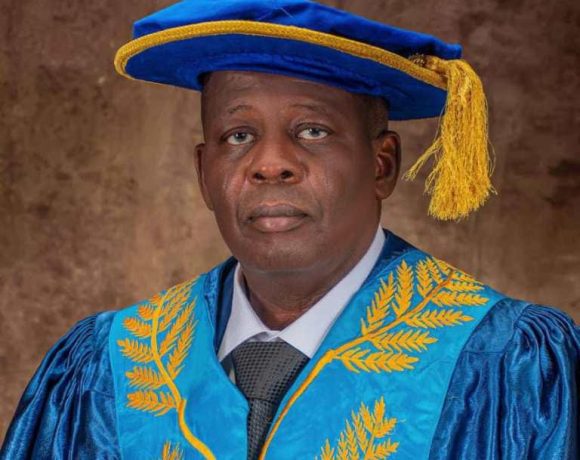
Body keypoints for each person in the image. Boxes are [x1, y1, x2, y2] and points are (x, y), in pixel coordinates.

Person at [2, 1, 578, 459]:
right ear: (204, 175)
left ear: (382, 166)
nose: (271, 164)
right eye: (238, 136)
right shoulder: (107, 369)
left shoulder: (508, 366)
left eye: (312, 131)